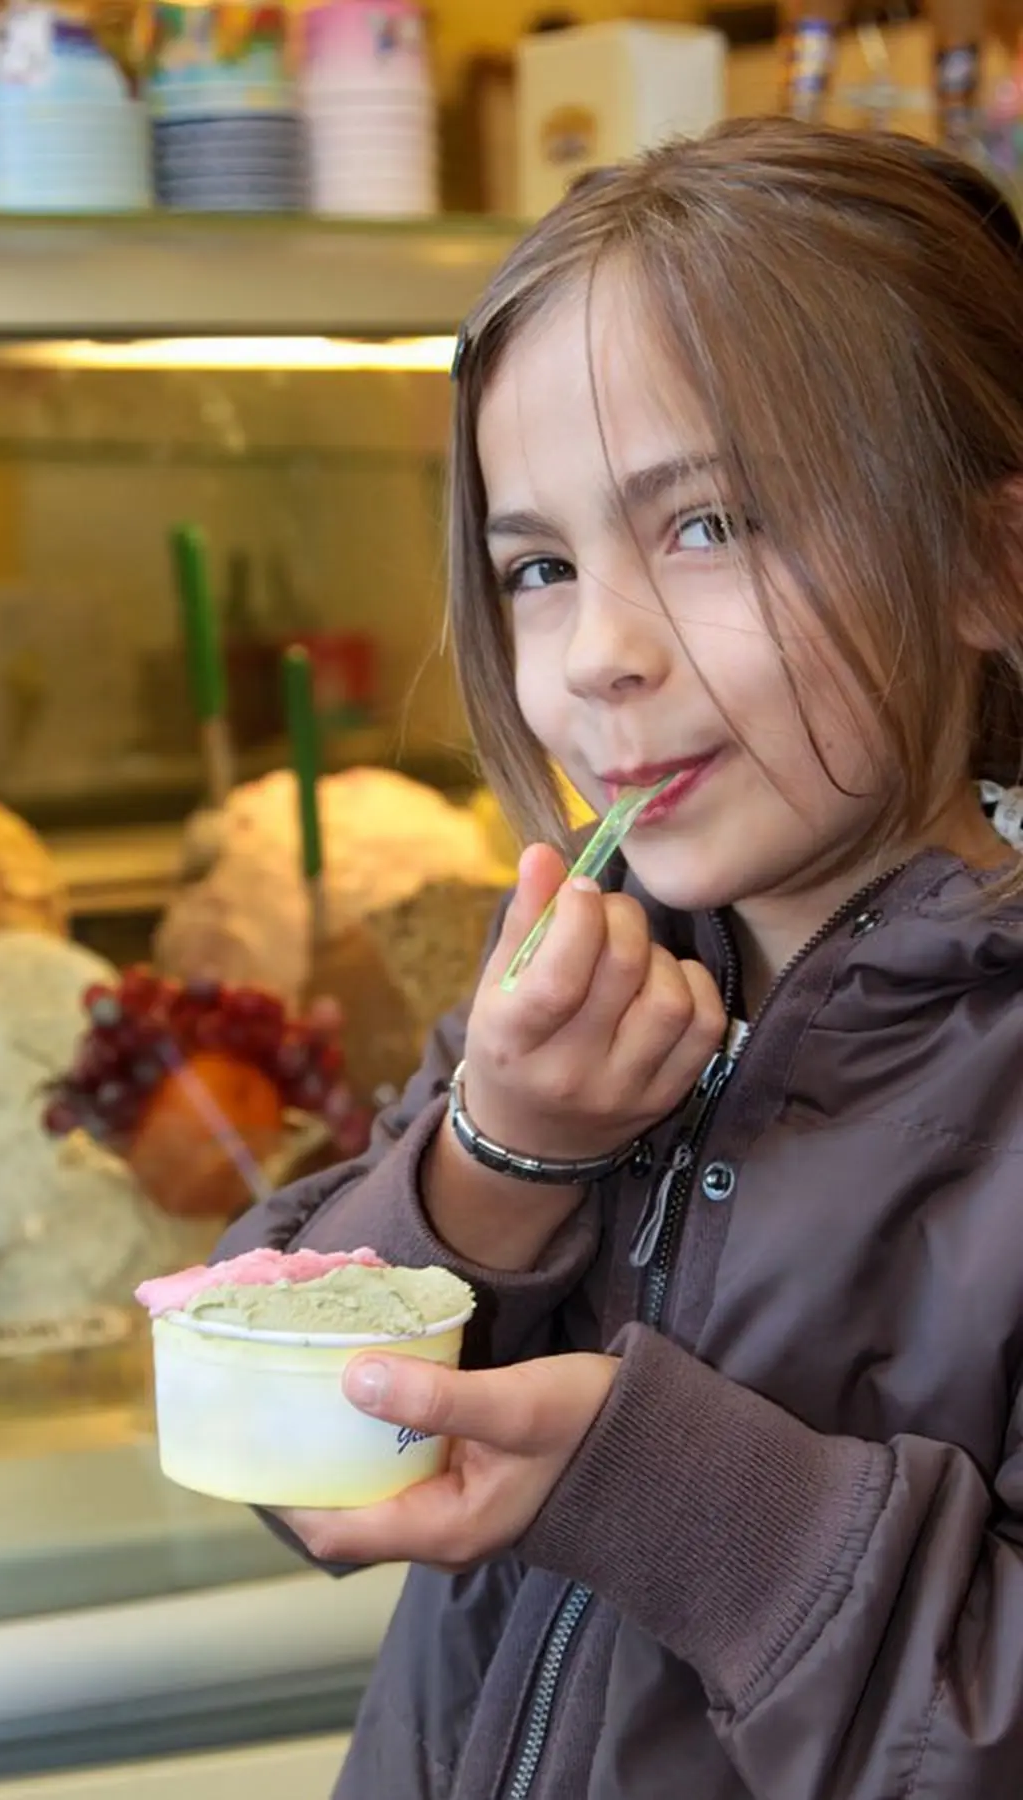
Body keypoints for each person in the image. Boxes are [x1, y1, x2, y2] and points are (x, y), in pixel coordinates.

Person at [217, 117, 1023, 1799]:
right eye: (541, 566)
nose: (598, 655)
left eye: (712, 524)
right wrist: (497, 1156)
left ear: (988, 562)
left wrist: (661, 1492)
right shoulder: (592, 988)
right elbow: (294, 1456)